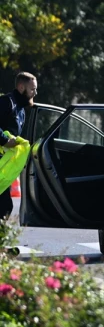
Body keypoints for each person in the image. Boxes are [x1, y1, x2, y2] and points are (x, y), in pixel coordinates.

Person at [0, 72, 36, 220]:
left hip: (4, 166)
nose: (35, 92)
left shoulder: (21, 109)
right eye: (32, 89)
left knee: (5, 206)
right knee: (4, 206)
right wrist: (4, 140)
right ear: (21, 87)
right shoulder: (6, 102)